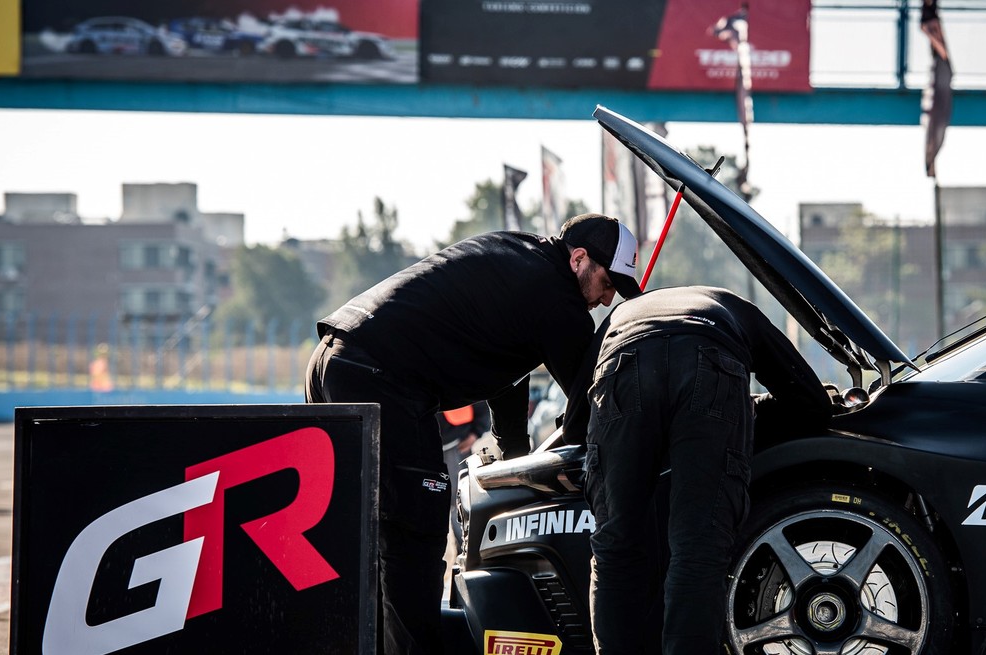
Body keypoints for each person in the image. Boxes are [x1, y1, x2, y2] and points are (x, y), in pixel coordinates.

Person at [305, 213, 642, 654]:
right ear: (579, 259)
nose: (607, 297)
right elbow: (589, 404)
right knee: (416, 527)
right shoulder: (558, 298)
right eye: (608, 283)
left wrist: (514, 453)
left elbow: (508, 370)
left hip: (332, 358)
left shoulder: (523, 257)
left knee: (357, 532)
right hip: (378, 376)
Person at [562, 286, 832, 655]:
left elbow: (575, 427)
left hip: (623, 361)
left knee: (617, 547)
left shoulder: (621, 315)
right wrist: (745, 410)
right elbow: (811, 402)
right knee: (697, 550)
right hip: (712, 357)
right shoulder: (734, 307)